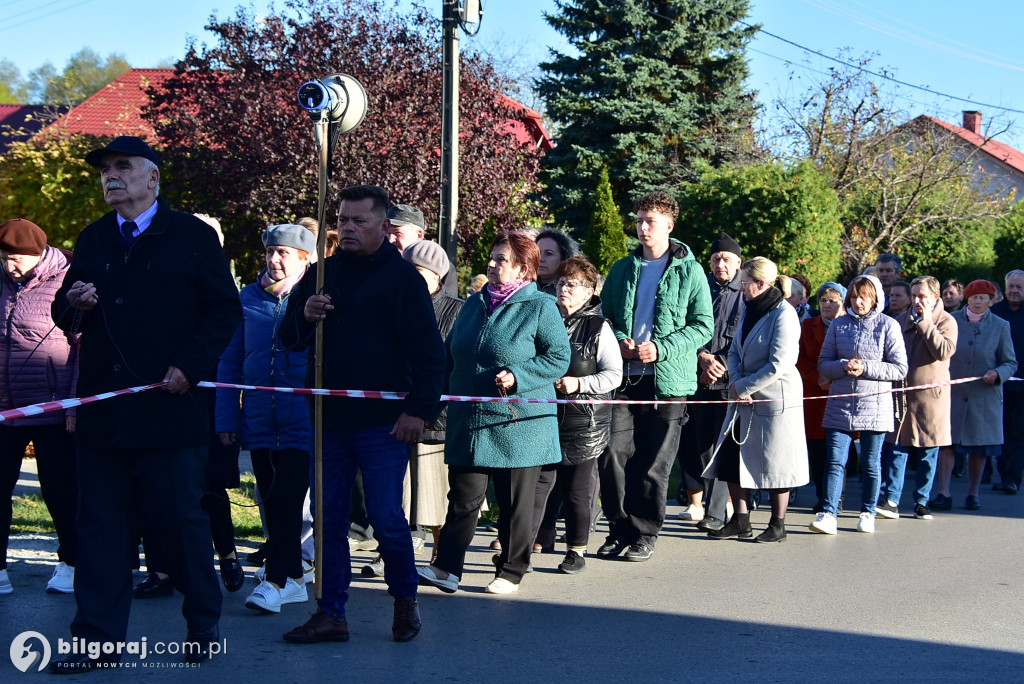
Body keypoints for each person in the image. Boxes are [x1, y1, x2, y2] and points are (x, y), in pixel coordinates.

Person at [48, 136, 241, 672]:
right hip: (105, 414)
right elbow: (68, 318)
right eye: (105, 169)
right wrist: (75, 305)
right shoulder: (91, 239)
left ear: (152, 178)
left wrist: (191, 365)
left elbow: (223, 312)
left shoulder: (192, 236)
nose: (111, 176)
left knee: (179, 523)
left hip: (170, 409)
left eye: (122, 167)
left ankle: (203, 623)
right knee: (99, 528)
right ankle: (96, 640)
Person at [278, 185, 444, 644]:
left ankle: (405, 601)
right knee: (329, 517)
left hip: (383, 423)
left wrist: (418, 410)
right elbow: (289, 339)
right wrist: (306, 317)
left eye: (359, 222)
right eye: (343, 221)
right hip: (328, 419)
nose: (348, 229)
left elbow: (430, 354)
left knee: (387, 516)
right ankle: (331, 612)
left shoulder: (402, 279)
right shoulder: (319, 273)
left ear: (383, 226)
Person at [416, 231, 570, 594]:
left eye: (501, 259)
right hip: (470, 422)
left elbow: (559, 358)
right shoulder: (474, 303)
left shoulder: (541, 306)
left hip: (519, 423)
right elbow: (450, 359)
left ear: (523, 270)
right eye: (492, 257)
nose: (492, 264)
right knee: (463, 498)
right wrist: (429, 407)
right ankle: (447, 569)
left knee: (515, 503)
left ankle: (511, 570)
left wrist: (519, 375)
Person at [597, 191, 713, 561]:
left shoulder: (690, 271)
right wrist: (619, 341)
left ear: (669, 225)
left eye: (651, 221)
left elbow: (702, 327)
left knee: (654, 463)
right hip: (625, 379)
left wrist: (662, 348)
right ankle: (618, 529)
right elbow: (606, 320)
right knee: (612, 454)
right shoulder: (620, 269)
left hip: (670, 381)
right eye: (639, 220)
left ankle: (645, 531)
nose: (643, 227)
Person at [216, 224, 315, 614]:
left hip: (303, 420)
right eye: (271, 251)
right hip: (258, 419)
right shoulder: (247, 299)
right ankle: (291, 577)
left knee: (289, 498)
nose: (275, 260)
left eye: (285, 253)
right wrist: (226, 418)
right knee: (271, 501)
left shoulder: (317, 299)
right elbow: (230, 360)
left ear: (304, 260)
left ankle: (276, 579)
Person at [362, 240, 464, 577]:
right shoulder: (392, 303)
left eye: (419, 272)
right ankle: (390, 553)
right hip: (395, 411)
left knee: (436, 494)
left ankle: (440, 552)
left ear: (436, 276)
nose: (411, 278)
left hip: (438, 415)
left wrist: (431, 407)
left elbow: (448, 362)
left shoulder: (457, 310)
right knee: (398, 494)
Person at [704, 257, 809, 543]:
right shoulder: (749, 309)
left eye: (745, 283)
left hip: (775, 398)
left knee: (776, 461)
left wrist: (745, 387)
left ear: (761, 284)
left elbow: (780, 363)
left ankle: (778, 523)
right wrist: (737, 383)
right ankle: (741, 520)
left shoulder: (784, 314)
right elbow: (735, 351)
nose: (741, 287)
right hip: (743, 394)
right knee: (731, 457)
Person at [0, 218, 78, 596]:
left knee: (59, 491)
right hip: (4, 408)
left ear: (36, 255)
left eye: (14, 258)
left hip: (52, 408)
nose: (8, 266)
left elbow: (83, 348)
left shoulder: (65, 281)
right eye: (2, 258)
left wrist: (75, 406)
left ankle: (70, 562)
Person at [531, 256, 621, 574]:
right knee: (537, 486)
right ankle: (521, 548)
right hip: (543, 417)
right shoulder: (545, 318)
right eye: (560, 282)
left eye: (572, 284)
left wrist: (578, 383)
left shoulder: (599, 327)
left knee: (576, 490)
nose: (564, 289)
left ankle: (576, 551)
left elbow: (614, 376)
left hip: (585, 423)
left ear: (588, 292)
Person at [811, 275, 907, 535]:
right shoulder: (839, 325)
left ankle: (868, 512)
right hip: (840, 403)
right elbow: (823, 363)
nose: (859, 301)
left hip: (875, 405)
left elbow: (899, 368)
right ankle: (829, 513)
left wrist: (865, 367)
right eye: (854, 296)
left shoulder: (889, 325)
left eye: (864, 296)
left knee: (871, 463)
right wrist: (843, 366)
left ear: (875, 298)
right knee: (834, 461)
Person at [677, 232, 744, 532]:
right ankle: (702, 503)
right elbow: (686, 325)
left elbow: (746, 339)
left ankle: (716, 512)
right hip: (697, 378)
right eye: (716, 259)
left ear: (739, 263)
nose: (721, 264)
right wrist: (702, 358)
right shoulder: (699, 287)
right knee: (698, 444)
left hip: (729, 381)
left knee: (723, 446)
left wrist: (721, 366)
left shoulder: (746, 292)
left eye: (727, 259)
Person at [931, 280, 1017, 510]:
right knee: (947, 444)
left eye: (983, 298)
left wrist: (998, 373)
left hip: (984, 396)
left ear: (992, 301)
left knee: (979, 448)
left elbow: (1010, 362)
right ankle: (943, 492)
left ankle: (973, 493)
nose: (978, 302)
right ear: (966, 298)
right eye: (974, 297)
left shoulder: (1001, 326)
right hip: (951, 394)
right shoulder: (950, 320)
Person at [877, 276, 957, 521]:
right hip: (901, 395)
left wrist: (926, 324)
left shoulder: (947, 321)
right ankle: (891, 499)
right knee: (897, 449)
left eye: (922, 296)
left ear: (935, 297)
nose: (917, 301)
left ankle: (922, 501)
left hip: (931, 399)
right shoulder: (900, 320)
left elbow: (943, 351)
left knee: (928, 452)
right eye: (914, 296)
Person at [796, 282, 847, 512]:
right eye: (823, 300)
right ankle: (822, 495)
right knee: (816, 449)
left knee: (838, 448)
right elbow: (799, 357)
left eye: (833, 300)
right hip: (815, 393)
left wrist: (834, 377)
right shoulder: (808, 325)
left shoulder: (850, 325)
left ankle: (836, 496)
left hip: (841, 392)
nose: (827, 305)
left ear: (843, 303)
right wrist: (819, 377)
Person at [991, 270, 1024, 494]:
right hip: (997, 383)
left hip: (1022, 387)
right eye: (1011, 286)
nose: (1014, 290)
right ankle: (1003, 475)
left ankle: (1013, 478)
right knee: (1000, 433)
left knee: (1018, 434)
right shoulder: (995, 313)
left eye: (1019, 287)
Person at [535, 229, 581, 295]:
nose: (540, 259)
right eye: (537, 253)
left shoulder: (571, 291)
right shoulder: (523, 286)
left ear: (563, 258)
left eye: (549, 253)